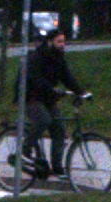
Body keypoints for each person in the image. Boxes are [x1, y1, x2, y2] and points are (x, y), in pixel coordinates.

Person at [18, 26, 85, 178]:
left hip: (48, 98)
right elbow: (35, 79)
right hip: (31, 97)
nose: (62, 45)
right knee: (43, 121)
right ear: (49, 42)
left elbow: (67, 77)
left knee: (59, 130)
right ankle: (24, 151)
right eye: (59, 41)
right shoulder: (37, 56)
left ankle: (57, 167)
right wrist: (52, 89)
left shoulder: (59, 58)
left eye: (63, 42)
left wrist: (81, 92)